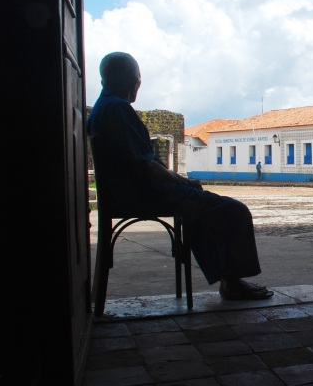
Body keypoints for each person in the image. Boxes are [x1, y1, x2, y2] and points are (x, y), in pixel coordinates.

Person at [87, 52, 273, 300]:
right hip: (143, 194)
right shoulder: (118, 109)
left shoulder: (102, 108)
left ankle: (228, 278)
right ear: (132, 82)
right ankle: (232, 282)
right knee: (234, 210)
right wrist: (185, 181)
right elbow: (147, 168)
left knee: (199, 208)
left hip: (126, 192)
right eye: (138, 80)